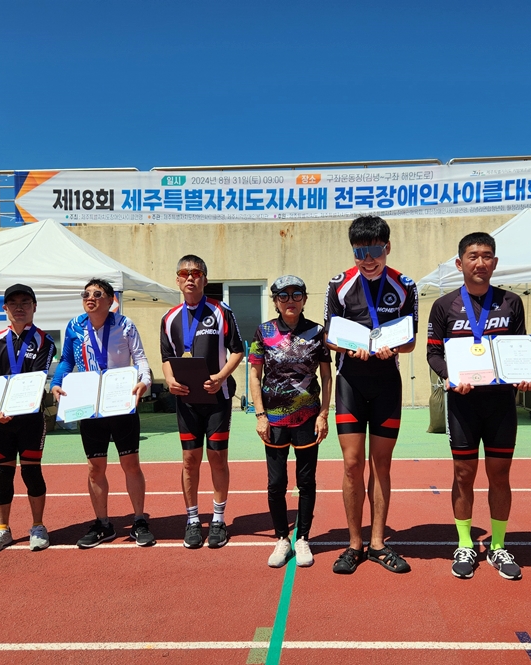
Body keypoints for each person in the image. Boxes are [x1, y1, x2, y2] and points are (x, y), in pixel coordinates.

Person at [426, 233, 531, 581]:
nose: (480, 263)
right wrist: (450, 376)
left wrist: (524, 375)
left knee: (500, 475)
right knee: (463, 474)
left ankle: (498, 545)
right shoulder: (443, 306)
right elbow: (433, 352)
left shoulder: (511, 302)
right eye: (473, 256)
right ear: (460, 263)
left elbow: (519, 348)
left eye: (487, 256)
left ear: (495, 263)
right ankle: (465, 544)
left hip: (501, 403)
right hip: (463, 404)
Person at [324, 215, 418, 574]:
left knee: (381, 464)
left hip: (386, 384)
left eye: (375, 251)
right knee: (352, 465)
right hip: (351, 381)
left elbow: (410, 340)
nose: (368, 259)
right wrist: (349, 348)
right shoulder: (339, 284)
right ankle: (354, 544)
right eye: (360, 252)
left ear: (387, 247)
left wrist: (394, 348)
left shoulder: (405, 285)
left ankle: (377, 543)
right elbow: (330, 336)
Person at [51, 278, 154, 548]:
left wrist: (144, 382)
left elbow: (140, 358)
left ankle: (139, 520)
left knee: (130, 464)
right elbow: (66, 360)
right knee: (95, 467)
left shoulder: (125, 325)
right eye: (86, 294)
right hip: (90, 406)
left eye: (97, 294)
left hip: (120, 403)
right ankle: (103, 523)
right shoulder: (75, 326)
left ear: (110, 300)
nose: (90, 298)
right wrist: (56, 383)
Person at [160, 255, 244, 550]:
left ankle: (218, 519)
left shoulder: (221, 311)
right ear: (177, 280)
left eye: (196, 273)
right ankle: (193, 519)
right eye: (184, 273)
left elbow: (238, 350)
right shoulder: (169, 317)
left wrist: (221, 377)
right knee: (189, 460)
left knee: (217, 458)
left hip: (217, 398)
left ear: (205, 279)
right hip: (186, 400)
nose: (190, 278)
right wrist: (169, 380)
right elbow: (166, 358)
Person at [248, 275, 332, 568]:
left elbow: (327, 376)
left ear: (305, 299)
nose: (290, 300)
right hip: (273, 420)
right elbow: (254, 376)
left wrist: (323, 414)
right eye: (283, 296)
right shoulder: (263, 332)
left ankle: (303, 538)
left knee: (306, 481)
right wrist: (260, 415)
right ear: (275, 301)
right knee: (276, 483)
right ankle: (282, 538)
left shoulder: (317, 332)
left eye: (296, 295)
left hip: (308, 417)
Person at [0, 284, 57, 554]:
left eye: (25, 302)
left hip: (30, 418)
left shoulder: (44, 341)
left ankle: (38, 526)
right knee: (1, 475)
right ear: (5, 308)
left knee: (32, 472)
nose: (19, 307)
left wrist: (9, 408)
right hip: (1, 420)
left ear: (34, 307)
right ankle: (2, 529)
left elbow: (35, 381)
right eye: (13, 303)